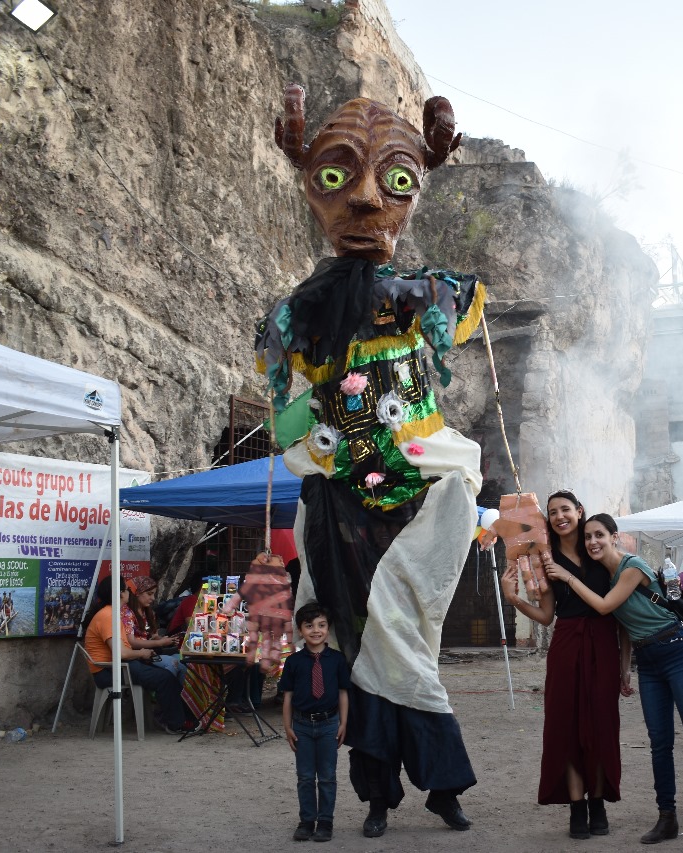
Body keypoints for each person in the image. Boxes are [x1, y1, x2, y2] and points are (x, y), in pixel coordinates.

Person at [262, 91, 481, 838]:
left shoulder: (428, 295)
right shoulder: (302, 315)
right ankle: (380, 796)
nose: (360, 199)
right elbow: (287, 413)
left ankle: (442, 787)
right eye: (333, 179)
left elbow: (468, 303)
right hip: (340, 505)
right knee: (362, 648)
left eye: (393, 182)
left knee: (410, 644)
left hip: (416, 495)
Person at [545, 514, 683, 850]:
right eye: (588, 538)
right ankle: (666, 817)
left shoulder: (632, 566)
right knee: (659, 742)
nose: (592, 542)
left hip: (676, 649)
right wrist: (626, 668)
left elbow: (604, 607)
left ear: (614, 536)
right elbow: (623, 625)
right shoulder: (605, 576)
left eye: (599, 535)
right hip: (649, 661)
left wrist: (567, 577)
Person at [498, 490, 624, 840]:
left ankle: (597, 801)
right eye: (552, 512)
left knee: (600, 725)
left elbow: (622, 604)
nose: (559, 517)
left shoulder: (598, 550)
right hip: (567, 644)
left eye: (565, 510)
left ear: (579, 512)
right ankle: (577, 807)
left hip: (603, 643)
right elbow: (546, 615)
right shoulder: (543, 556)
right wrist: (513, 599)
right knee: (564, 726)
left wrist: (627, 663)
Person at [281, 603, 350, 843]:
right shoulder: (293, 662)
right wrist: (287, 726)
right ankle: (307, 821)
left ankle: (326, 822)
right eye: (309, 626)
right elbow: (288, 696)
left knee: (328, 776)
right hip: (301, 725)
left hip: (329, 724)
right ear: (300, 630)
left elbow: (343, 693)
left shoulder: (337, 660)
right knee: (306, 776)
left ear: (328, 629)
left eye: (321, 625)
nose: (315, 630)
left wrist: (343, 723)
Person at [83, 583, 190, 735]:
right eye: (126, 590)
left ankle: (179, 719)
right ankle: (176, 724)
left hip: (119, 667)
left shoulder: (112, 613)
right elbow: (121, 653)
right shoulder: (108, 616)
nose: (129, 593)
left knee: (168, 672)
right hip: (110, 671)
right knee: (165, 678)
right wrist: (142, 653)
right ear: (120, 593)